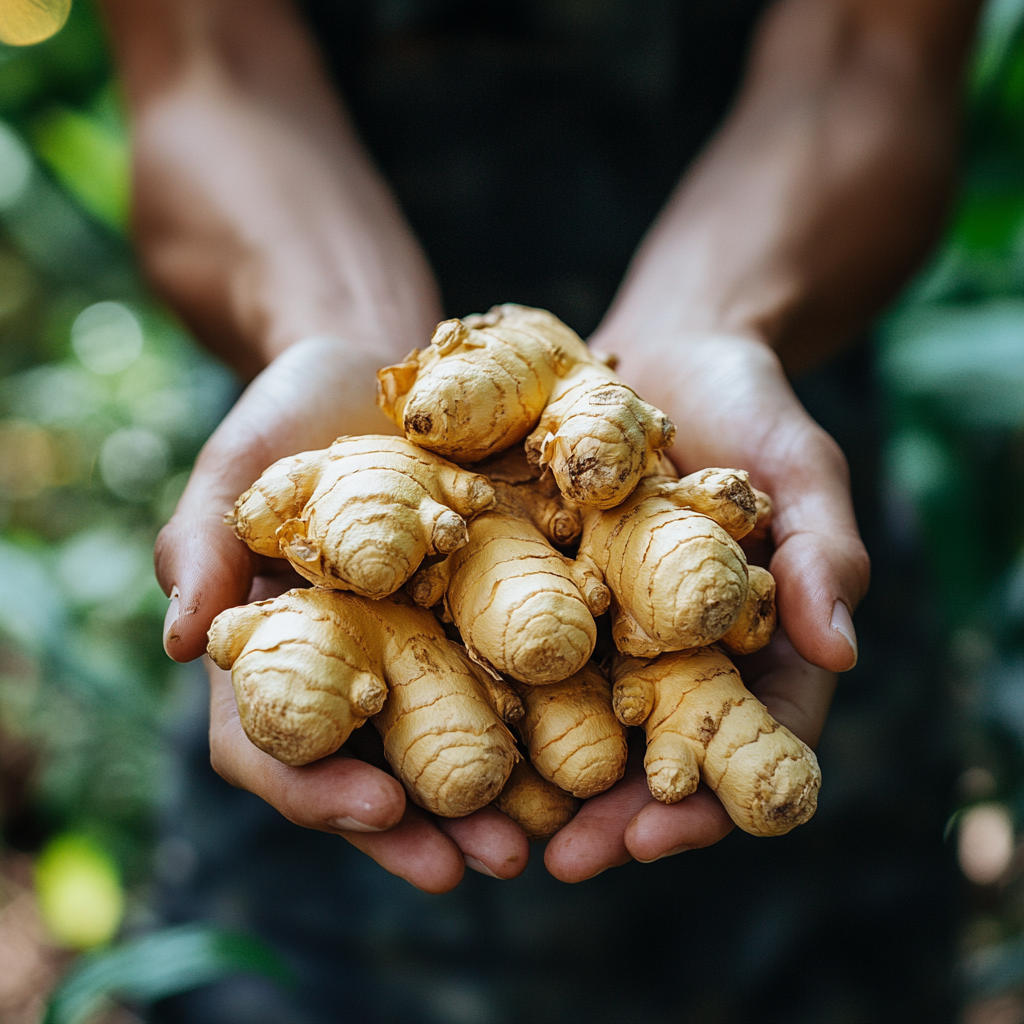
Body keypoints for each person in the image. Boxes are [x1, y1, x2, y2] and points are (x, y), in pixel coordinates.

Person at [99, 0, 980, 896]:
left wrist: (711, 320)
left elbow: (872, 55)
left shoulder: (577, 447)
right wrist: (337, 322)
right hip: (313, 881)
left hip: (783, 386)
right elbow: (206, 65)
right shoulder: (410, 494)